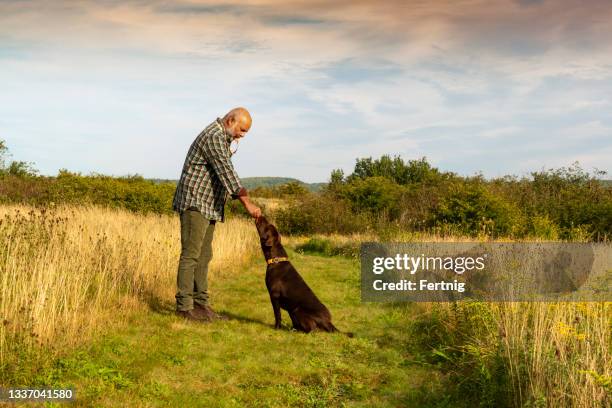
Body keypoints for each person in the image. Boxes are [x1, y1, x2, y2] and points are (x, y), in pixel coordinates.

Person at [172, 107, 262, 322]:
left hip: (209, 205)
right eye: (242, 130)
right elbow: (227, 173)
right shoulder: (213, 136)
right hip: (195, 202)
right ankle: (184, 307)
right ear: (231, 121)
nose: (243, 135)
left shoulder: (223, 138)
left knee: (204, 256)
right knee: (191, 256)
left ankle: (201, 305)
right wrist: (247, 204)